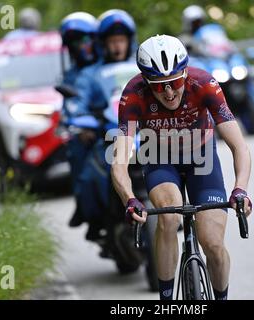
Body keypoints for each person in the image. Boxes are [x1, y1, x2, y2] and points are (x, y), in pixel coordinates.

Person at [111, 35, 252, 300]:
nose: (169, 92)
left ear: (185, 74)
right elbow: (118, 161)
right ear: (145, 82)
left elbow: (239, 146)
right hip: (159, 156)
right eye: (159, 86)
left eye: (175, 82)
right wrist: (129, 199)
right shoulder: (132, 94)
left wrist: (240, 189)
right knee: (168, 216)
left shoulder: (205, 84)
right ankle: (166, 301)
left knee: (212, 242)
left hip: (201, 157)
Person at [64, 9, 139, 242]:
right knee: (88, 174)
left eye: (122, 40)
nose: (117, 46)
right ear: (103, 44)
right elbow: (76, 105)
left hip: (143, 134)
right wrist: (83, 122)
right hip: (107, 136)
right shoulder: (90, 74)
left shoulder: (141, 66)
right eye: (112, 41)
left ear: (130, 41)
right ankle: (93, 217)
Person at [58, 12, 100, 229]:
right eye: (74, 42)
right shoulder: (71, 76)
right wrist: (80, 125)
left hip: (119, 124)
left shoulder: (109, 62)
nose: (80, 46)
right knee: (75, 150)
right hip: (92, 131)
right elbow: (68, 107)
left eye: (84, 39)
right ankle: (86, 207)